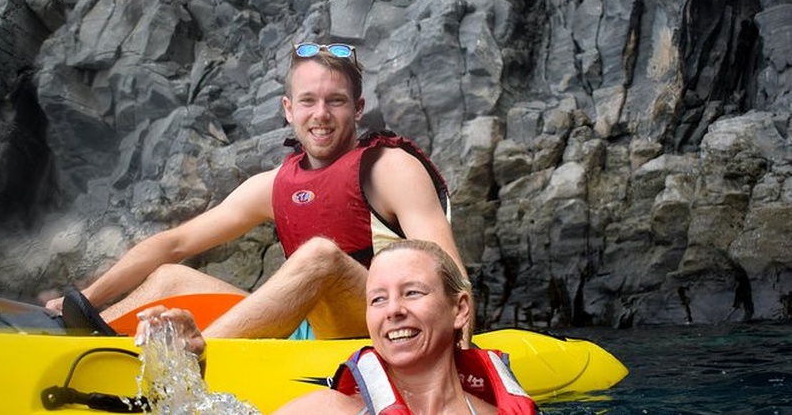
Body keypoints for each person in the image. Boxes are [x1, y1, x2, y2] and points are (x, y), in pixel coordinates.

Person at [45, 42, 468, 341]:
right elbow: (175, 242)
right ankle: (70, 339)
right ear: (289, 110)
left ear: (357, 109)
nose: (320, 114)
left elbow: (447, 270)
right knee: (169, 277)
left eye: (335, 101)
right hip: (307, 332)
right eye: (308, 101)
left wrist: (463, 353)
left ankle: (190, 360)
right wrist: (83, 300)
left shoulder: (390, 167)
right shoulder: (273, 186)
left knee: (321, 256)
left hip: (384, 322)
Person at [136, 240, 535, 415]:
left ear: (460, 309)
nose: (393, 310)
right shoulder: (328, 410)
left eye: (412, 293)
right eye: (378, 299)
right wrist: (187, 371)